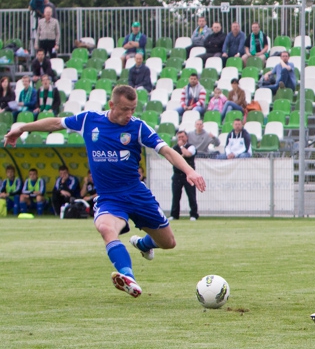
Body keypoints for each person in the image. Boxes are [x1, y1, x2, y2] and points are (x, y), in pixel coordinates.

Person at [3, 85, 206, 298]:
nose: (129, 114)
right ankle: (128, 277)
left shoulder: (137, 127)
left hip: (137, 194)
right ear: (112, 105)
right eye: (125, 109)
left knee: (168, 243)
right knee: (105, 228)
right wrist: (22, 127)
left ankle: (143, 243)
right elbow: (55, 122)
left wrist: (190, 171)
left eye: (133, 109)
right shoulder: (89, 120)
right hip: (110, 197)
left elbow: (166, 150)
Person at [171, 130, 199, 221]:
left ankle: (194, 214)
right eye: (179, 137)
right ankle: (174, 215)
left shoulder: (191, 147)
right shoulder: (174, 148)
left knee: (191, 195)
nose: (181, 139)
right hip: (177, 174)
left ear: (186, 137)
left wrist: (182, 147)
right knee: (176, 196)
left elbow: (187, 154)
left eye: (182, 137)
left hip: (189, 175)